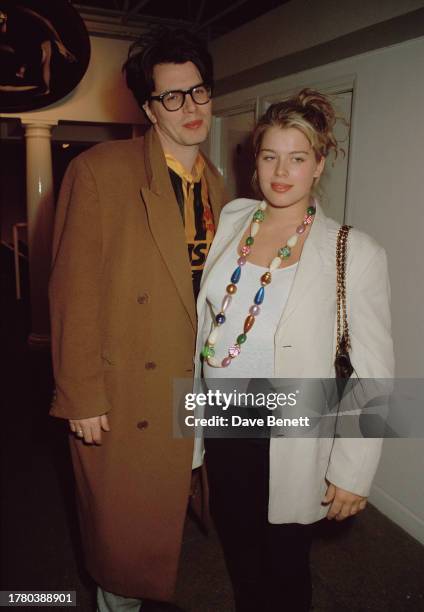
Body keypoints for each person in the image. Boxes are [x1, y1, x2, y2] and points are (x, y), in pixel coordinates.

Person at [193, 89, 394, 611]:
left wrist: (352, 469)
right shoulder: (235, 218)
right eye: (270, 156)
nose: (281, 171)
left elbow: (373, 371)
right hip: (224, 421)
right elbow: (205, 332)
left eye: (298, 158)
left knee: (284, 563)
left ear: (319, 164)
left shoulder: (353, 251)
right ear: (255, 161)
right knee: (238, 550)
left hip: (292, 430)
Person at [49, 27, 226, 612]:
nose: (190, 107)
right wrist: (80, 394)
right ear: (150, 109)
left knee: (172, 500)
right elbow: (73, 291)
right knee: (123, 541)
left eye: (198, 91)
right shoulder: (103, 171)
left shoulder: (218, 186)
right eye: (172, 97)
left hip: (194, 381)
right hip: (127, 387)